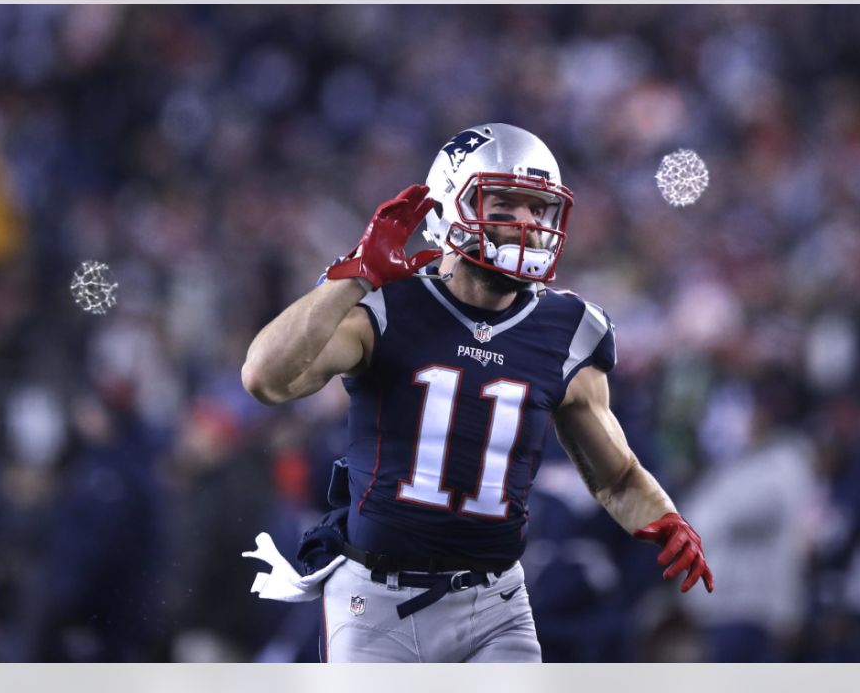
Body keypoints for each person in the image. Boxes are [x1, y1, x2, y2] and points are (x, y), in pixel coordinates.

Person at [240, 123, 713, 663]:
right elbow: (265, 379)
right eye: (506, 204)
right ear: (448, 207)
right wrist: (353, 276)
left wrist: (667, 517)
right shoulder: (388, 306)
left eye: (539, 210)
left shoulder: (568, 329)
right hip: (374, 600)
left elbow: (619, 477)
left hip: (496, 603)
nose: (529, 225)